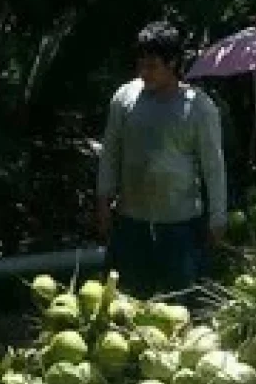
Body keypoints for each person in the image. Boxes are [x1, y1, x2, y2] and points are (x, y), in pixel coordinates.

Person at [96, 21, 228, 299]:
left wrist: (218, 216)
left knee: (179, 306)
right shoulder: (125, 98)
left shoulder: (200, 108)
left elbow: (213, 166)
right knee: (126, 302)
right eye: (141, 65)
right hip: (131, 221)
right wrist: (103, 200)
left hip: (179, 226)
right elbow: (110, 152)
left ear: (173, 63)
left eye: (153, 66)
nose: (145, 73)